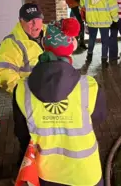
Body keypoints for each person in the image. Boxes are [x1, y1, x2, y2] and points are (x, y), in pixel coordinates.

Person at [13, 18, 107, 186]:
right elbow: (98, 118)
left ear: (43, 43)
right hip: (85, 173)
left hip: (47, 174)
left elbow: (22, 133)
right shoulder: (89, 86)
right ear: (72, 45)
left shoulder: (22, 89)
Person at [0, 3, 46, 94]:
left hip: (53, 90)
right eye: (29, 21)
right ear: (20, 21)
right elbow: (5, 74)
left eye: (38, 19)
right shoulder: (11, 43)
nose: (34, 24)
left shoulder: (51, 32)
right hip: (31, 95)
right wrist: (24, 94)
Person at [80, 0, 119, 67]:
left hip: (91, 21)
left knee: (92, 39)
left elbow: (81, 6)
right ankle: (104, 60)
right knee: (105, 41)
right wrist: (115, 19)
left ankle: (89, 56)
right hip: (105, 23)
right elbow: (113, 8)